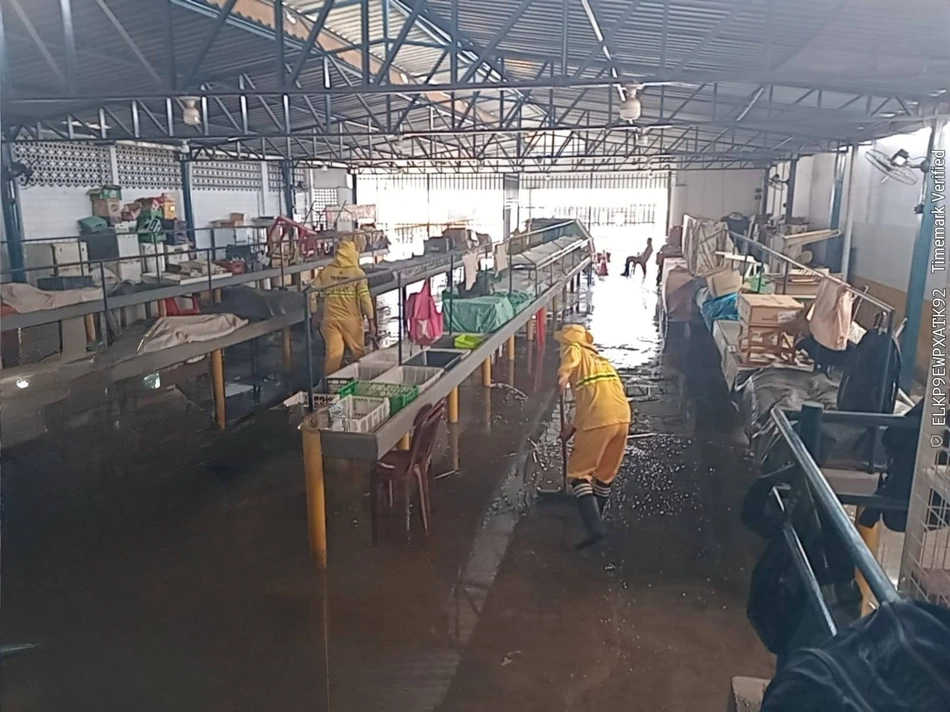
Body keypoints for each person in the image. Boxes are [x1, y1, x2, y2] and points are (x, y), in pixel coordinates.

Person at [556, 324, 632, 548]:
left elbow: (571, 359)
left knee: (579, 473)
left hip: (598, 418)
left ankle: (595, 528)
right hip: (622, 418)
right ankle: (595, 517)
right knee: (604, 474)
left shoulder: (574, 348)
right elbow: (597, 398)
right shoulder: (603, 362)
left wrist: (563, 375)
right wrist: (573, 428)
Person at [313, 240, 375, 374]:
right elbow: (365, 299)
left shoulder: (326, 271)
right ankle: (364, 378)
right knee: (358, 352)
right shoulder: (358, 273)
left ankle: (329, 385)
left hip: (330, 320)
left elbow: (311, 293)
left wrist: (315, 313)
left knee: (333, 354)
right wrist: (371, 321)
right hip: (350, 320)